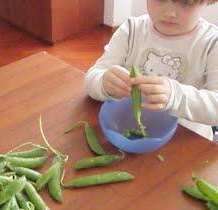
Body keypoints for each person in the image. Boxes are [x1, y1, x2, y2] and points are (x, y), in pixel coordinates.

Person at [85, 0, 218, 141]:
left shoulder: (212, 43)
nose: (169, 13)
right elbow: (92, 78)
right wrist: (103, 83)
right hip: (130, 131)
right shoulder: (131, 30)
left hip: (188, 141)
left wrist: (175, 97)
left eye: (185, 2)